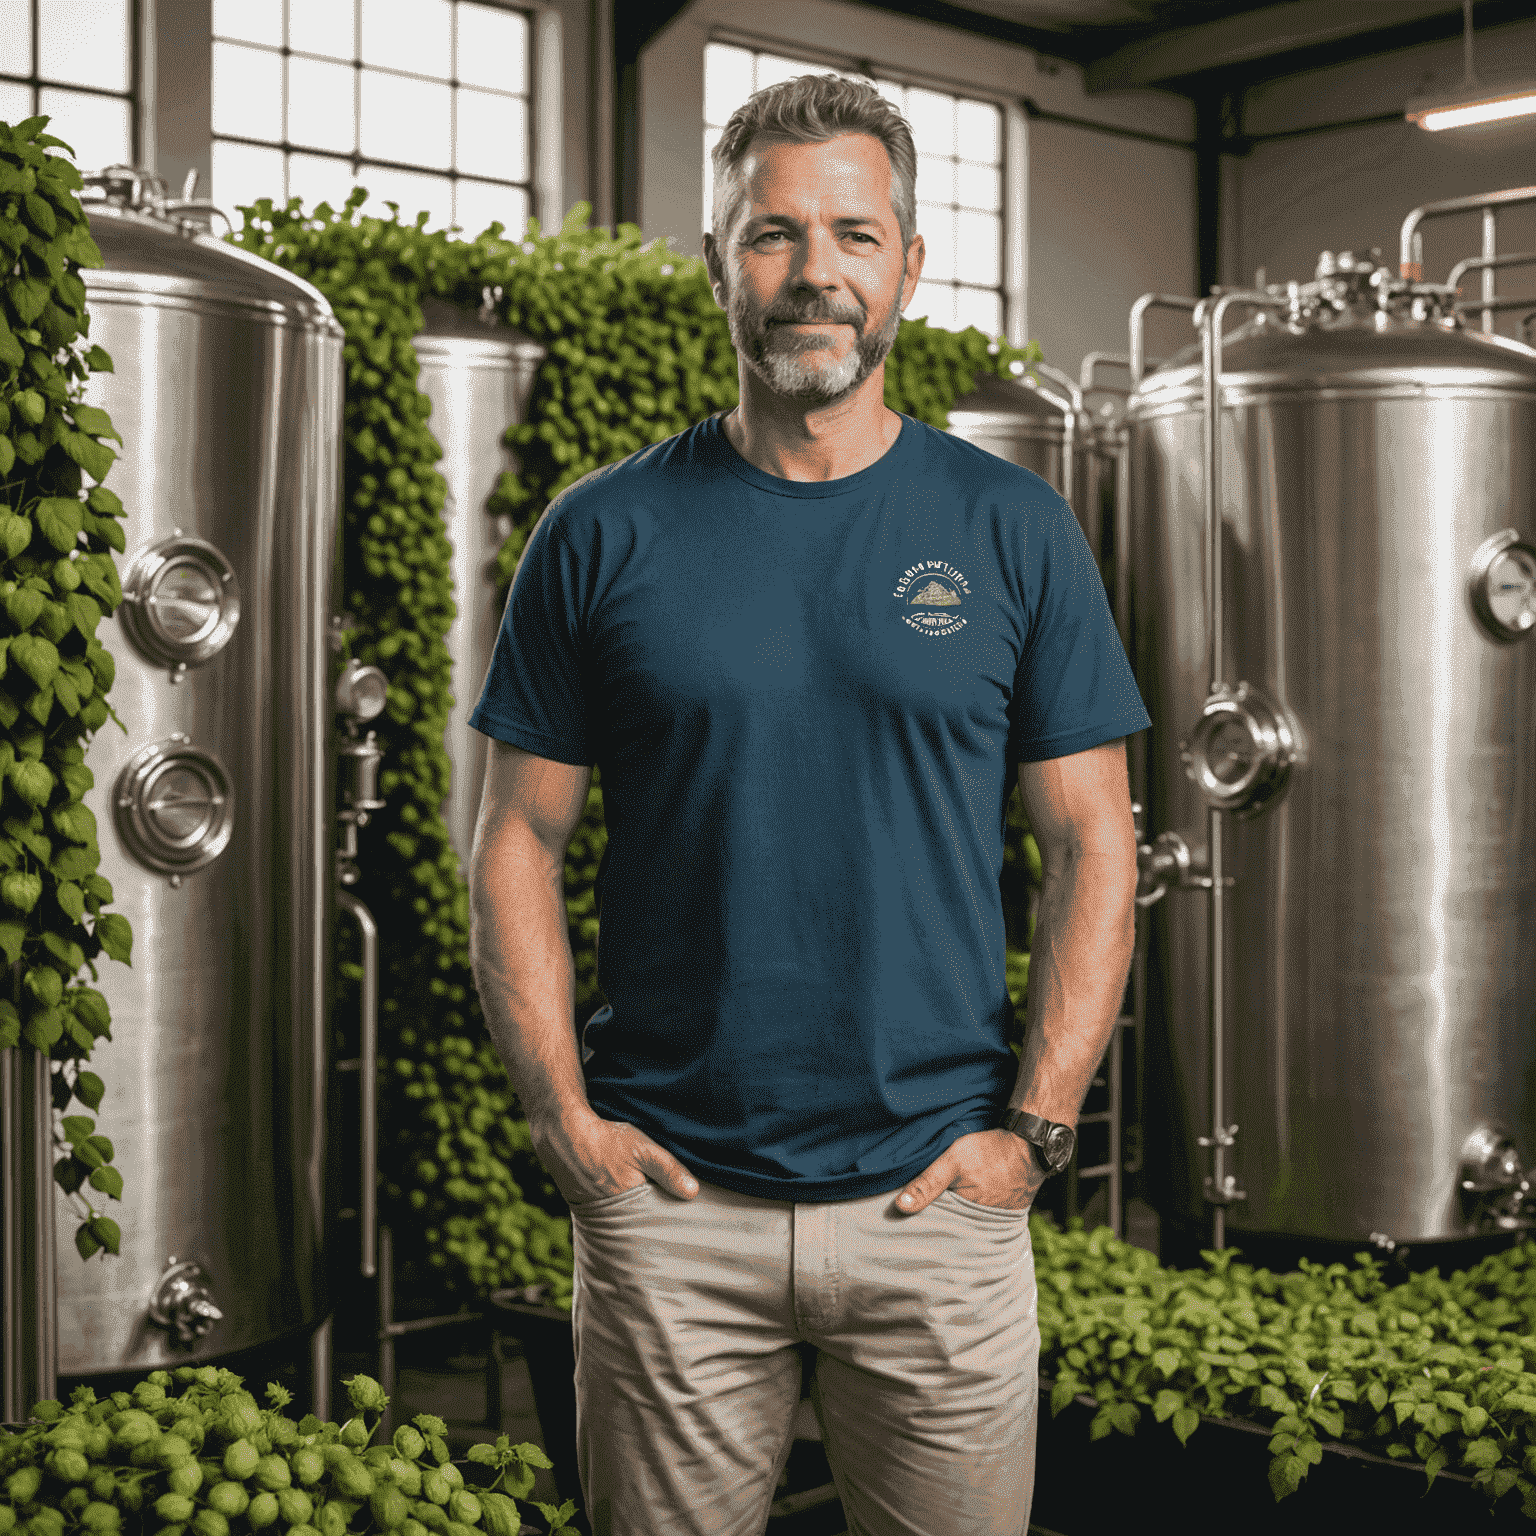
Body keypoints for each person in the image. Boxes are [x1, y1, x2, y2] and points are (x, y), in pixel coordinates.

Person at [467, 72, 1148, 1536]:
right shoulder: (602, 531)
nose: (814, 273)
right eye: (773, 235)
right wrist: (565, 1123)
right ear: (720, 262)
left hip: (941, 1213)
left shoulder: (1011, 530)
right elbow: (516, 835)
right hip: (674, 1220)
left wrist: (1032, 1132)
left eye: (853, 232)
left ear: (909, 263)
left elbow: (1097, 839)